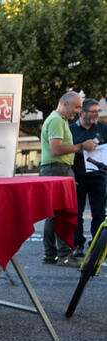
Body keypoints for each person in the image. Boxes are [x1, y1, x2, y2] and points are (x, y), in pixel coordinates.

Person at [41, 91, 97, 266]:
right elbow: (56, 149)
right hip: (58, 169)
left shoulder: (57, 119)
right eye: (77, 106)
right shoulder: (57, 120)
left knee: (53, 214)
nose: (79, 111)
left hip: (55, 169)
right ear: (65, 104)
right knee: (64, 213)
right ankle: (64, 255)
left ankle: (51, 254)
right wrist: (82, 146)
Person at [69, 98, 107, 257]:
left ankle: (97, 245)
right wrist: (82, 147)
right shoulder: (71, 130)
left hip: (98, 176)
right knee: (76, 213)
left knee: (98, 212)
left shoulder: (103, 128)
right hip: (78, 177)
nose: (96, 114)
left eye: (98, 111)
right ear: (82, 112)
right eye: (93, 111)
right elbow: (66, 150)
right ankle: (77, 244)